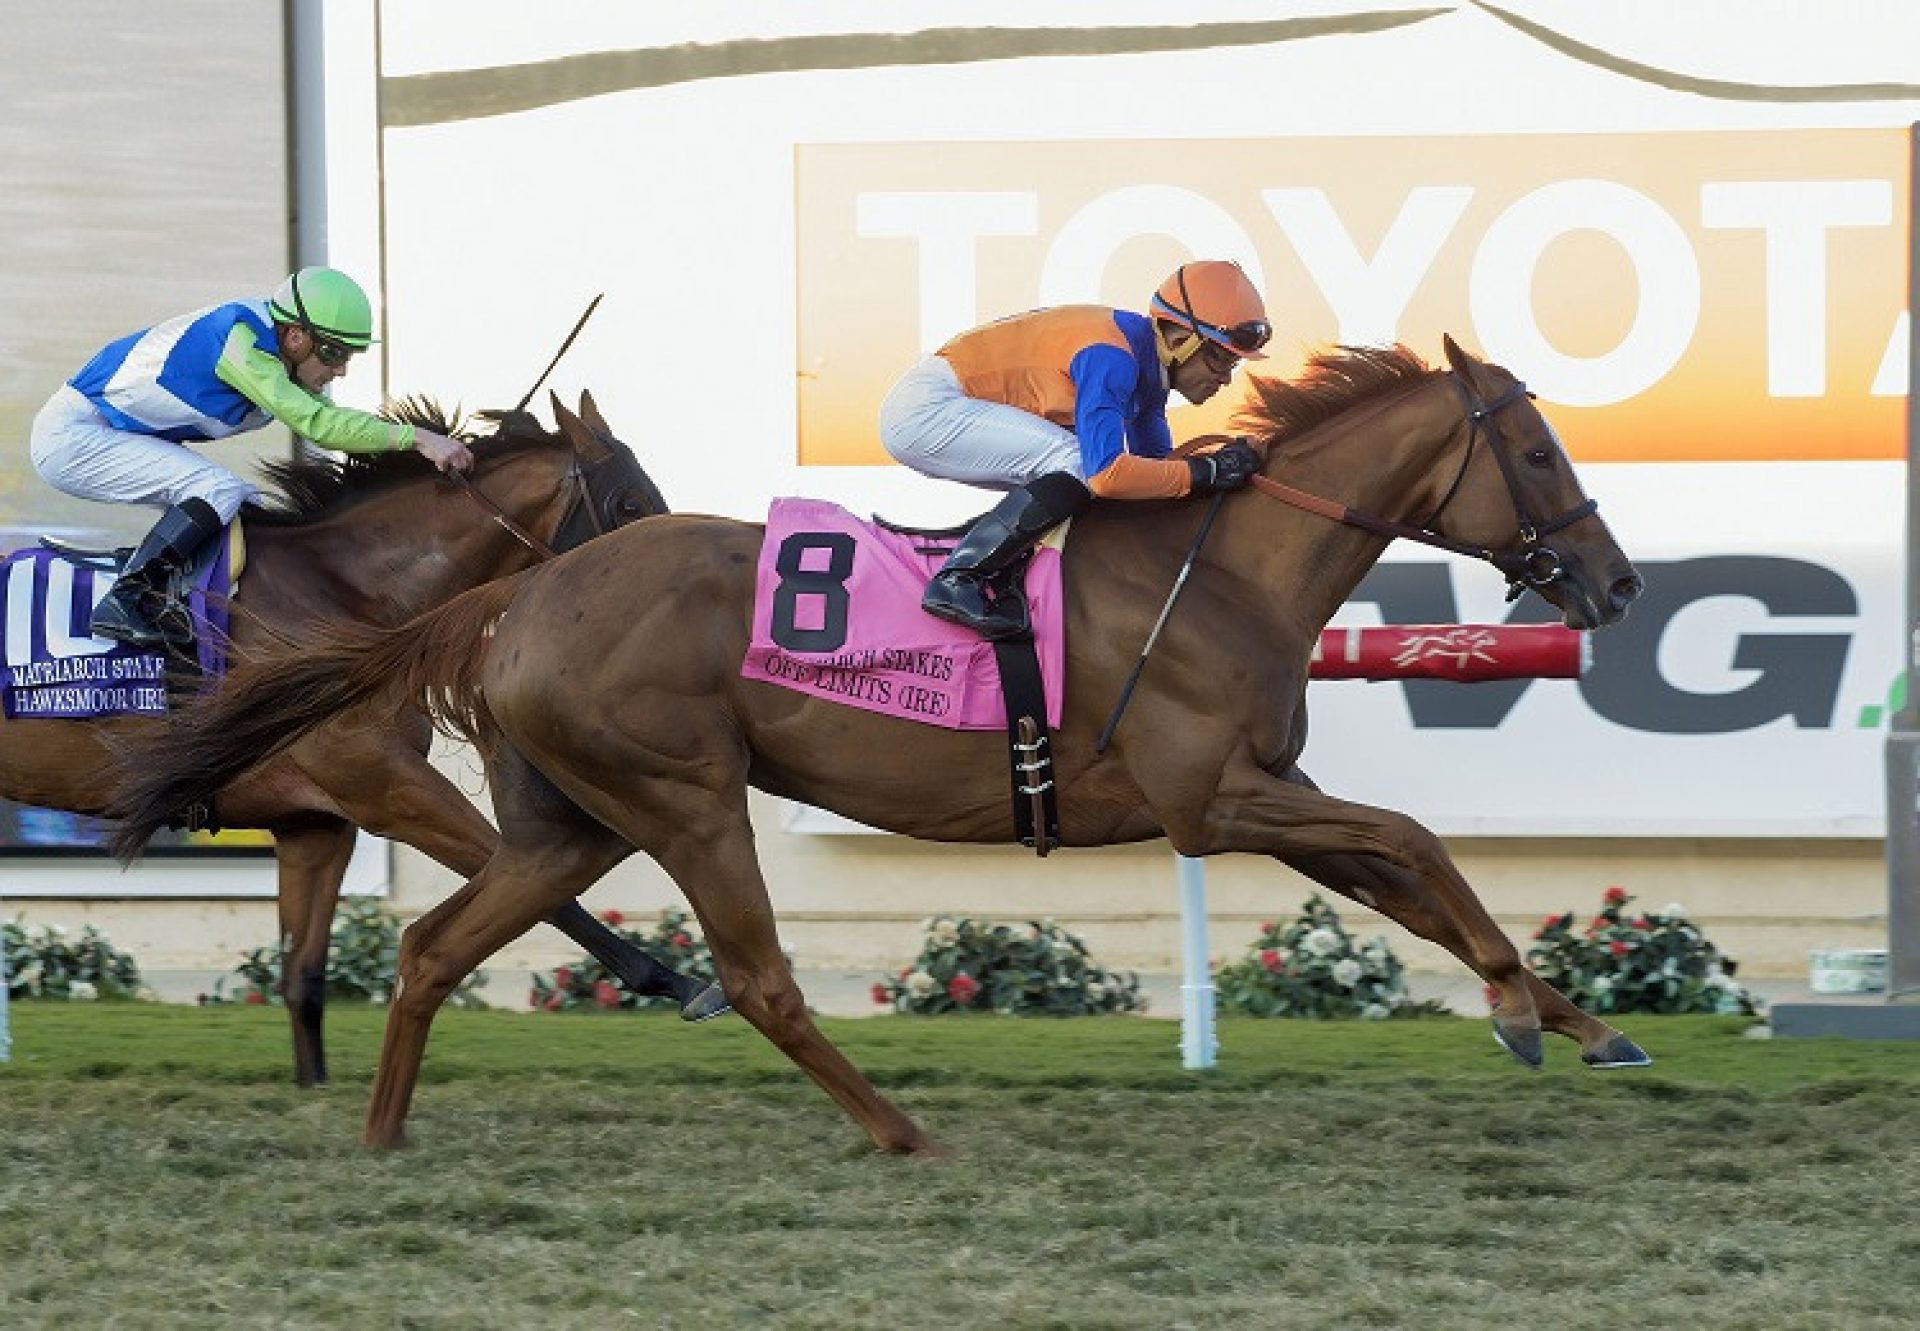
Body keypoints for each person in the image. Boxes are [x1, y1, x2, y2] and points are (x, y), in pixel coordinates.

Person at [29, 266, 475, 650]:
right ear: (295, 336)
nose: (340, 369)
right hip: (74, 436)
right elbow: (318, 425)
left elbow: (329, 417)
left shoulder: (275, 348)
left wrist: (412, 440)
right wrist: (417, 439)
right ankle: (127, 599)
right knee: (217, 490)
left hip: (104, 431)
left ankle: (178, 602)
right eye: (334, 353)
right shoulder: (243, 344)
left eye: (347, 357)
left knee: (244, 502)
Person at [878, 259, 1269, 640]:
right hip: (925, 409)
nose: (1225, 378)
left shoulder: (1147, 371)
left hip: (941, 406)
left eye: (1233, 364)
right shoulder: (1113, 358)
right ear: (1181, 341)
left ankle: (1002, 573)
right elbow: (1108, 475)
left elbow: (1157, 471)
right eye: (1219, 358)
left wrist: (1215, 477)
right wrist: (1207, 472)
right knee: (1078, 464)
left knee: (1080, 476)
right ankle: (959, 579)